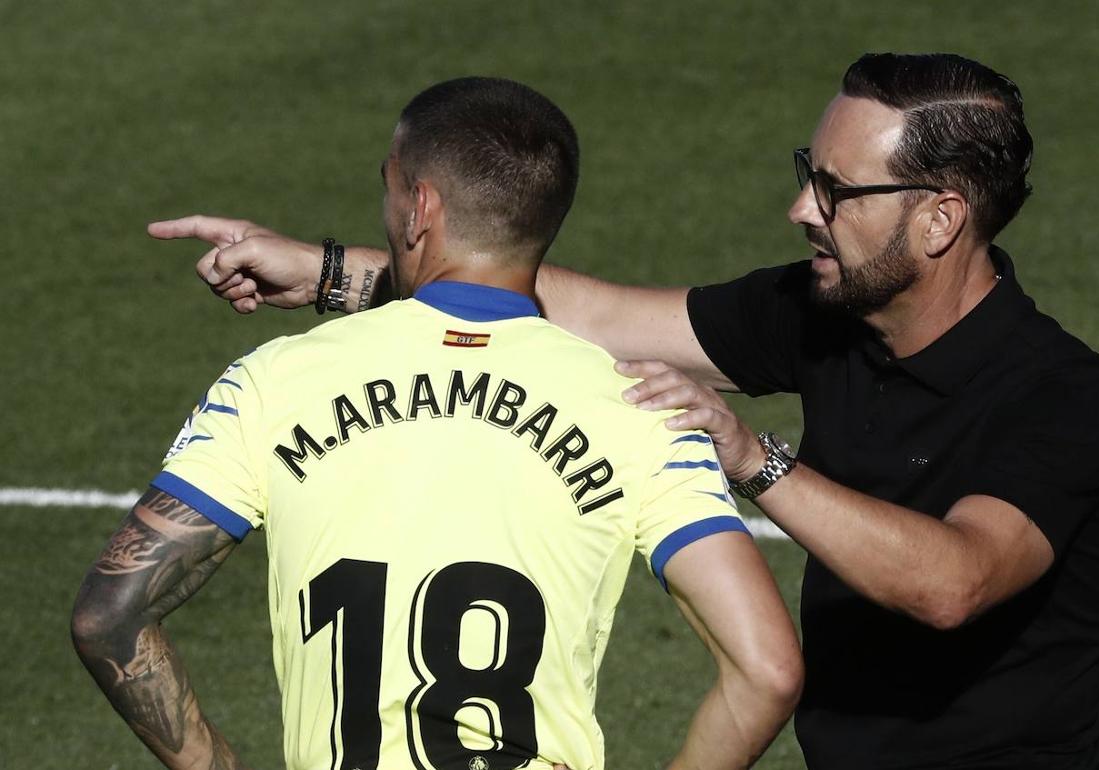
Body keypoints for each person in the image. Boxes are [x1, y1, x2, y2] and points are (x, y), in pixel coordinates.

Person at [153, 53, 1099, 769]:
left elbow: (951, 580)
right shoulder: (821, 310)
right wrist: (329, 272)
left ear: (939, 217)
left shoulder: (1058, 397)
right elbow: (579, 314)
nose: (803, 208)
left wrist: (756, 459)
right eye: (810, 170)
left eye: (836, 189)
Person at [71, 76, 802, 770]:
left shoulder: (273, 382)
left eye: (387, 187)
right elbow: (766, 670)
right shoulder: (644, 413)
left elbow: (109, 616)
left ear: (420, 206)